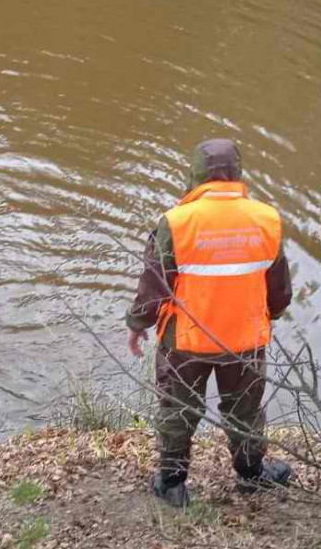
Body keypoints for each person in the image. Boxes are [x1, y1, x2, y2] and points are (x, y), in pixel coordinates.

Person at [126, 139, 294, 507]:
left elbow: (155, 285)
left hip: (185, 342)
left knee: (178, 410)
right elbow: (279, 289)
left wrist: (138, 324)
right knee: (244, 411)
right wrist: (273, 314)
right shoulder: (266, 219)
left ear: (195, 174)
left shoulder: (176, 222)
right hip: (245, 341)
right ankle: (251, 476)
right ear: (237, 173)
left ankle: (172, 484)